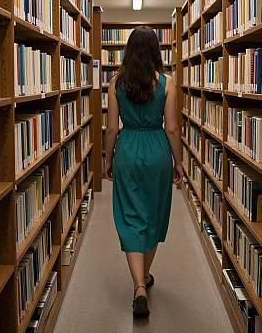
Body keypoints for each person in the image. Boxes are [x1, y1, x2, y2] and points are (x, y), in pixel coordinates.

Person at [104, 25, 184, 318]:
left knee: (130, 215)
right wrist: (179, 161)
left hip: (127, 149)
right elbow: (172, 128)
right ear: (155, 51)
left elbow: (112, 127)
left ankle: (139, 285)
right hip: (157, 150)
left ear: (129, 51)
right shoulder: (167, 83)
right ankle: (145, 276)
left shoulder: (115, 83)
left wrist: (108, 159)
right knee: (153, 213)